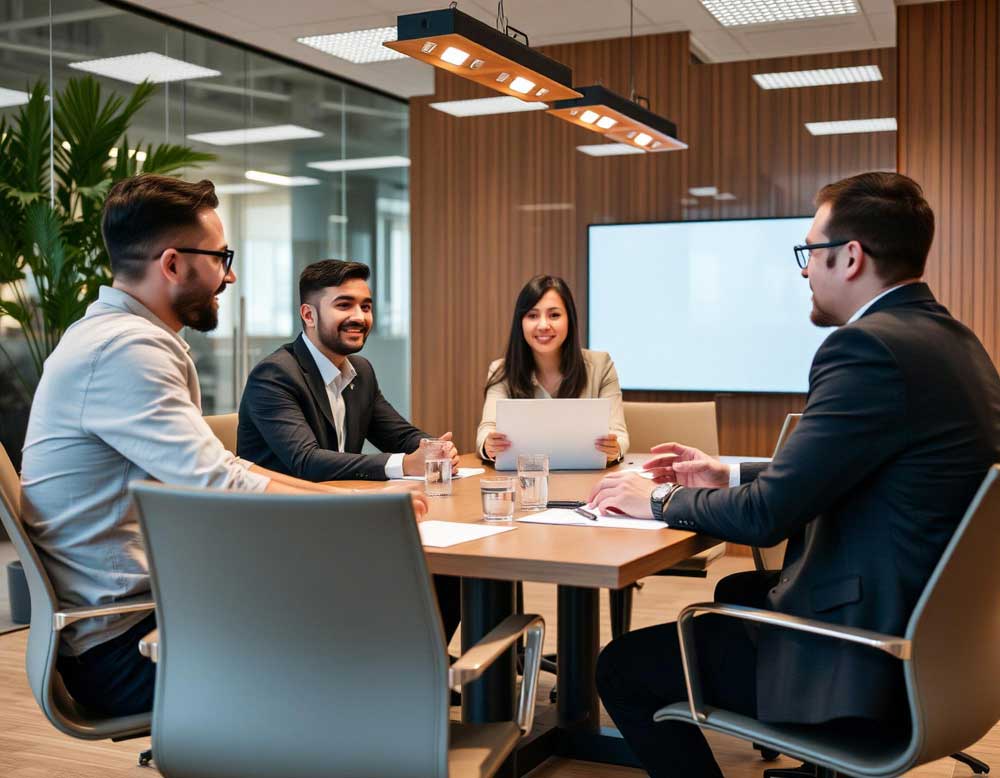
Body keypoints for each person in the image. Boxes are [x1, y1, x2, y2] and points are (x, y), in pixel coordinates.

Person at [588, 172, 1000, 778]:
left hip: (867, 662)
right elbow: (861, 466)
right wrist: (725, 472)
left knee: (621, 667)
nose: (805, 272)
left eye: (810, 252)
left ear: (850, 257)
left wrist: (658, 498)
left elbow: (765, 518)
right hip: (939, 643)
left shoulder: (866, 349)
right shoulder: (954, 342)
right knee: (736, 594)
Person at [19, 175, 427, 718]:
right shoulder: (125, 349)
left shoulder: (110, 336)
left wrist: (355, 502)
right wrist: (363, 514)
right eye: (221, 258)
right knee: (368, 631)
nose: (229, 275)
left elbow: (222, 466)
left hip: (157, 612)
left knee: (360, 609)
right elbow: (218, 483)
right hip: (130, 644)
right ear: (172, 265)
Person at [237, 259, 461, 643]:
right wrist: (406, 464)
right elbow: (306, 461)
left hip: (341, 519)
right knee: (429, 565)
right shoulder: (275, 375)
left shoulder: (360, 371)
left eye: (366, 306)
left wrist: (434, 449)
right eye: (344, 305)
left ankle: (413, 663)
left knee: (452, 566)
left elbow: (398, 434)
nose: (359, 316)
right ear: (309, 315)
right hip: (287, 536)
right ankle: (398, 662)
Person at [476, 275, 629, 464]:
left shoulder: (601, 365)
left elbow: (619, 435)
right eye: (532, 316)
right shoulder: (502, 370)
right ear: (520, 322)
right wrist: (489, 444)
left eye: (554, 315)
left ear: (569, 319)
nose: (543, 325)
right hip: (524, 477)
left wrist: (614, 448)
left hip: (588, 477)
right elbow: (486, 431)